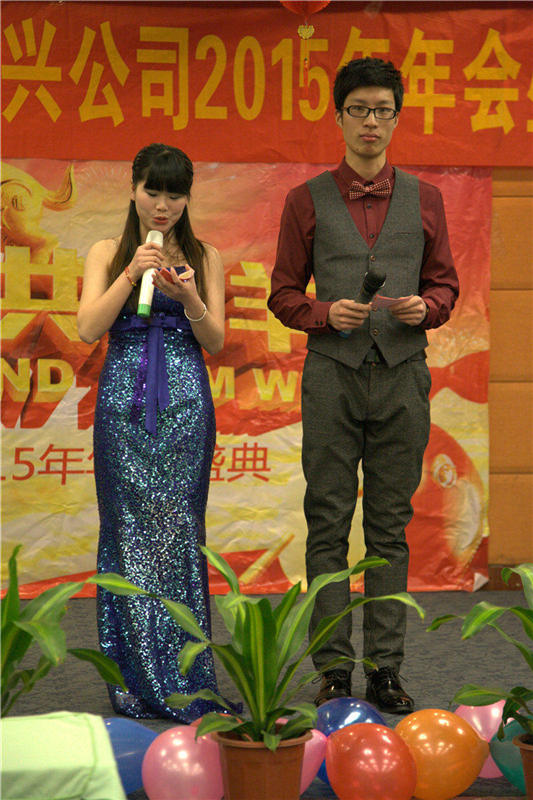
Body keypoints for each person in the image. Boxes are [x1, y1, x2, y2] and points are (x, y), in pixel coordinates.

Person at [268, 58, 459, 713]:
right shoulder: (306, 200)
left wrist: (426, 308)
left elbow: (445, 285)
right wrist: (325, 313)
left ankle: (385, 668)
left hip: (403, 375)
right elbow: (282, 293)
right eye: (359, 110)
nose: (370, 121)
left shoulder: (425, 199)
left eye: (382, 110)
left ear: (396, 119)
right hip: (332, 376)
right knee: (326, 522)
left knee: (388, 527)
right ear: (339, 117)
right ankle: (332, 669)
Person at [77, 143, 225, 721]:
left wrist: (189, 298)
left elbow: (216, 341)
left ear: (188, 198)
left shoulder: (205, 256)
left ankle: (187, 678)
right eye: (153, 191)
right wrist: (131, 273)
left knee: (180, 532)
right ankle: (134, 681)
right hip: (123, 404)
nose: (163, 205)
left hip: (186, 404)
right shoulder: (107, 251)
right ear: (133, 189)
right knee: (127, 533)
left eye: (175, 194)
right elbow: (88, 327)